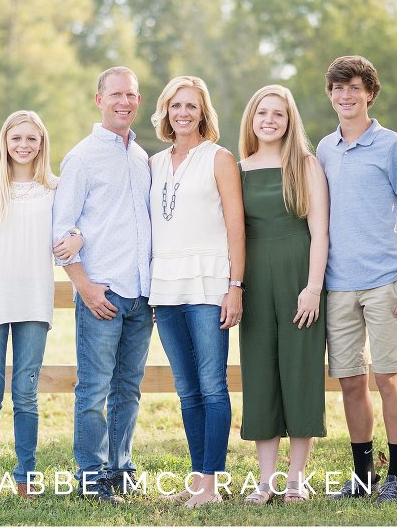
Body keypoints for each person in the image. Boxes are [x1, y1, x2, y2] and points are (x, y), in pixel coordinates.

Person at [317, 56, 397, 504]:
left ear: (370, 94)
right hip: (338, 284)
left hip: (385, 280)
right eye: (338, 89)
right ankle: (362, 477)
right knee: (349, 381)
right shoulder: (324, 149)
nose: (346, 96)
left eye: (355, 88)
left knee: (387, 378)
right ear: (330, 95)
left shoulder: (393, 146)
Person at [0, 110, 76, 501]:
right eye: (16, 139)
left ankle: (26, 476)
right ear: (5, 143)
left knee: (26, 393)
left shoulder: (55, 189)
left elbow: (79, 225)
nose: (24, 145)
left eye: (31, 138)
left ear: (42, 143)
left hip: (34, 303)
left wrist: (76, 236)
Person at [51, 66, 153, 506]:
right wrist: (86, 288)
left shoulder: (142, 157)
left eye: (130, 95)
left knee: (129, 388)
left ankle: (120, 467)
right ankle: (90, 474)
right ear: (99, 100)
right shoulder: (82, 157)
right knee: (94, 390)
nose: (123, 102)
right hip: (102, 295)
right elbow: (60, 233)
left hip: (140, 295)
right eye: (115, 94)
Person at [148, 76, 245, 509]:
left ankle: (210, 483)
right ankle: (197, 478)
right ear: (165, 112)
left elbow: (236, 227)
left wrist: (235, 286)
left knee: (212, 385)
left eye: (191, 106)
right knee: (186, 388)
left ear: (203, 112)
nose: (183, 113)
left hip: (209, 284)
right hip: (165, 287)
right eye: (175, 106)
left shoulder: (219, 159)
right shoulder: (152, 163)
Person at [236, 85, 329, 505]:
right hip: (254, 280)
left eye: (278, 114)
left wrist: (312, 288)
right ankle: (266, 480)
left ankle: (295, 479)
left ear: (290, 120)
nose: (270, 120)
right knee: (260, 375)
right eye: (262, 113)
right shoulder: (240, 167)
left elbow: (320, 232)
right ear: (251, 119)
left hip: (298, 276)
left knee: (300, 371)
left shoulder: (305, 165)